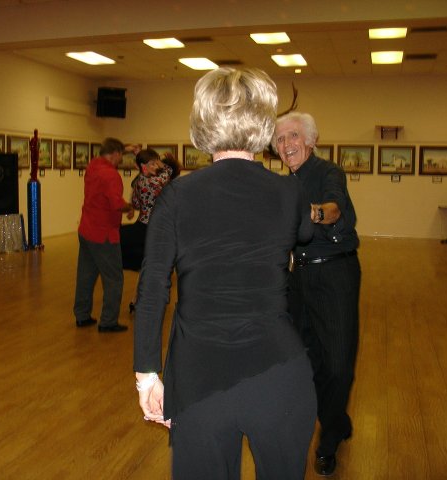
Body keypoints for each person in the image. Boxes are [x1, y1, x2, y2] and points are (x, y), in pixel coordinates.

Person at [133, 67, 317, 480]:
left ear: (203, 122)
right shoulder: (289, 191)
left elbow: (152, 289)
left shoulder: (176, 196)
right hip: (278, 375)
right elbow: (305, 231)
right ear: (263, 123)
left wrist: (147, 377)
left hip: (199, 379)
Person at [272, 111, 361, 476]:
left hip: (335, 275)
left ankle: (330, 437)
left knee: (337, 363)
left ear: (310, 140)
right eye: (280, 140)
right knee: (303, 360)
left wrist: (312, 214)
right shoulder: (282, 184)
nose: (286, 145)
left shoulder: (328, 173)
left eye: (293, 136)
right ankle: (334, 420)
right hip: (298, 278)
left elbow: (334, 208)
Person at [73, 137, 135, 333]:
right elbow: (116, 204)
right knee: (114, 278)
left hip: (86, 230)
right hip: (104, 235)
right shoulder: (111, 175)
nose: (121, 160)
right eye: (120, 156)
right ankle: (108, 321)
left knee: (86, 275)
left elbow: (111, 152)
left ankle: (82, 315)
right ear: (115, 154)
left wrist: (126, 148)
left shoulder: (92, 166)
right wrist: (130, 207)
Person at [121, 149, 173, 310]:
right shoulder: (154, 181)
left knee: (147, 266)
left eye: (156, 162)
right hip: (154, 228)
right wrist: (162, 163)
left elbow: (136, 204)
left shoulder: (138, 182)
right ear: (143, 166)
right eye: (152, 163)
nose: (156, 165)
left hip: (143, 225)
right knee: (153, 266)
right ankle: (142, 300)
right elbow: (169, 171)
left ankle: (137, 299)